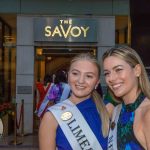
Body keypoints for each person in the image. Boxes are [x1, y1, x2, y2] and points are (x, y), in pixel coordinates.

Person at [39, 53, 110, 150]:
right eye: (75, 73)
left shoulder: (108, 110)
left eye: (89, 76)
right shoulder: (51, 117)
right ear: (68, 77)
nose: (80, 81)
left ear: (97, 83)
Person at [102, 45, 150, 150]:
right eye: (107, 73)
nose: (111, 78)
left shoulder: (147, 113)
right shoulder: (117, 110)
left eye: (118, 70)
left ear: (137, 70)